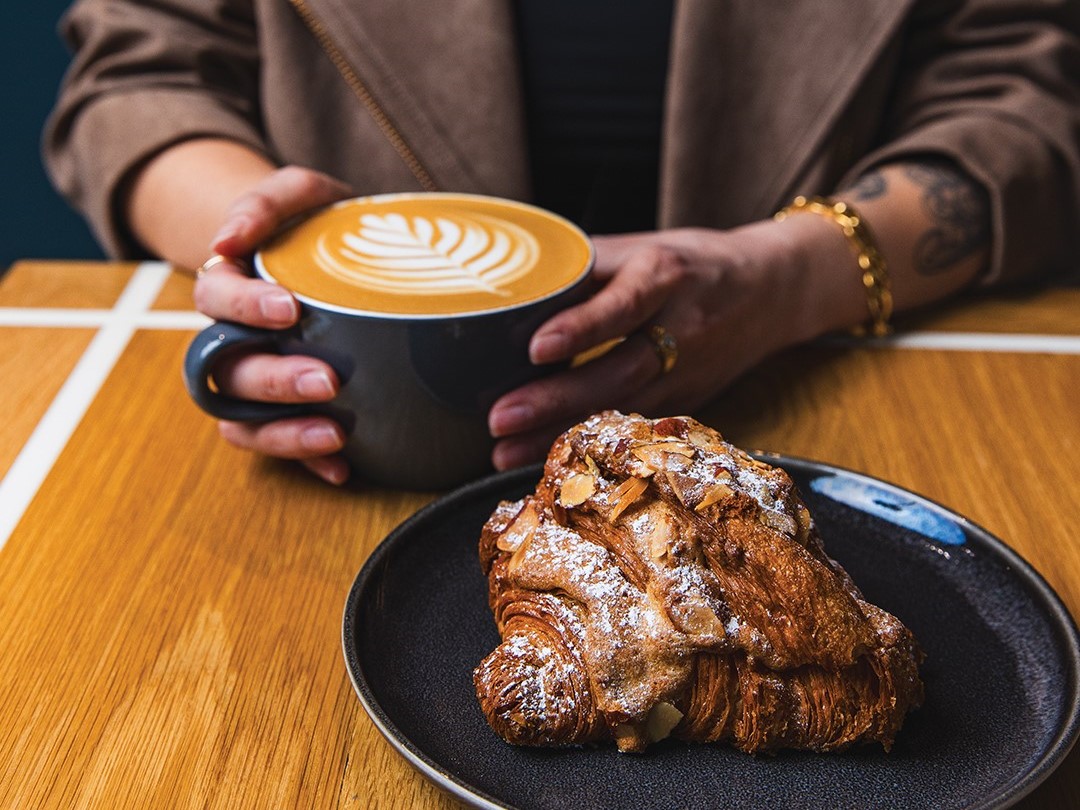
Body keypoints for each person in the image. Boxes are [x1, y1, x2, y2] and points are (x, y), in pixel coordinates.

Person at [45, 0, 1080, 485]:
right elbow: (139, 78)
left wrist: (792, 277)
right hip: (347, 490)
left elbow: (1025, 109)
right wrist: (265, 256)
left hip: (807, 412)